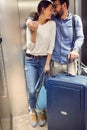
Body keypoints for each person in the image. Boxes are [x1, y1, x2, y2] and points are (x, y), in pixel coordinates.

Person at [26, 0, 84, 76]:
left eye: (55, 6)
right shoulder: (52, 18)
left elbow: (80, 37)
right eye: (52, 7)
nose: (53, 9)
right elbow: (37, 17)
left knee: (71, 87)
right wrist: (28, 21)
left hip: (70, 63)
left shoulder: (75, 19)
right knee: (55, 86)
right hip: (54, 64)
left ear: (64, 5)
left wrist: (75, 50)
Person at [24, 0, 56, 128]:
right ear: (43, 9)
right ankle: (32, 110)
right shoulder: (31, 24)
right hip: (30, 60)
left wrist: (47, 64)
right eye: (50, 9)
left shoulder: (52, 24)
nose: (52, 12)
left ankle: (41, 110)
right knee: (31, 90)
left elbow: (51, 45)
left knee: (45, 87)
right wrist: (34, 30)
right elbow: (30, 46)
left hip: (44, 60)